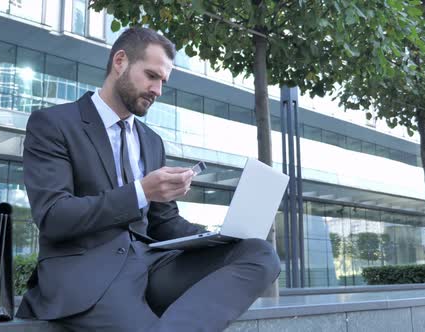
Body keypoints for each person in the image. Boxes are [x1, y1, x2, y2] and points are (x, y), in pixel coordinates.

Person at [16, 27, 281, 332]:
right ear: (120, 62)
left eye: (163, 82)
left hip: (150, 267)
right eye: (151, 76)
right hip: (86, 276)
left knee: (259, 253)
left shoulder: (151, 141)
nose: (158, 90)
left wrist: (218, 235)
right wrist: (141, 191)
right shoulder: (54, 124)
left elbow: (163, 223)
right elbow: (54, 216)